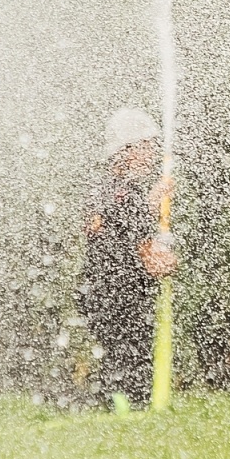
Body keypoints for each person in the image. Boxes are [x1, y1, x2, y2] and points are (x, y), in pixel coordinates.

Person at [76, 107, 175, 411]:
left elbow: (116, 228)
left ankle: (113, 410)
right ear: (126, 151)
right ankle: (125, 414)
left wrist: (151, 204)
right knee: (131, 361)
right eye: (146, 147)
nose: (151, 154)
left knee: (115, 358)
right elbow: (153, 261)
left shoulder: (102, 188)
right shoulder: (127, 196)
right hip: (124, 295)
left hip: (97, 291)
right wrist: (169, 256)